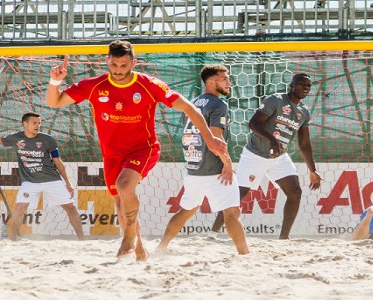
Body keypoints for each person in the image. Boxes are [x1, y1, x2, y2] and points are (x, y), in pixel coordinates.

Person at [45, 40, 227, 261]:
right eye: (114, 65)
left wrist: (209, 139)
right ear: (107, 62)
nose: (118, 70)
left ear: (134, 63)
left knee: (124, 186)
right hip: (112, 153)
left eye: (124, 65)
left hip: (143, 149)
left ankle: (128, 237)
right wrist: (55, 81)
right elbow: (54, 102)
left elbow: (188, 107)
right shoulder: (93, 85)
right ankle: (139, 246)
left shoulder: (148, 84)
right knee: (120, 201)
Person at [210, 73, 322, 240]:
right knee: (238, 195)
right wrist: (272, 140)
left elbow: (304, 144)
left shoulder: (303, 113)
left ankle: (284, 238)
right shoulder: (276, 100)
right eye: (301, 84)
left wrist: (312, 170)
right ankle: (213, 233)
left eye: (308, 85)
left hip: (279, 157)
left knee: (295, 192)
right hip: (255, 154)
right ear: (292, 85)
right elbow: (253, 124)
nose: (305, 88)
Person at [156, 65, 249, 255]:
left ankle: (161, 247)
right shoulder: (218, 105)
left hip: (193, 169)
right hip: (214, 169)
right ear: (211, 82)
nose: (229, 82)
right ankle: (245, 255)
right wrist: (227, 163)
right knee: (232, 212)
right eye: (224, 79)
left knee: (186, 211)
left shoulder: (192, 103)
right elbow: (217, 138)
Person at [0, 112, 85, 241]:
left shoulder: (48, 140)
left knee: (70, 207)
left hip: (52, 179)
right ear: (25, 124)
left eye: (39, 123)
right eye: (34, 123)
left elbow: (58, 161)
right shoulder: (16, 138)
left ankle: (82, 239)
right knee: (19, 208)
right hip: (30, 182)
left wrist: (68, 183)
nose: (37, 125)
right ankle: (11, 240)